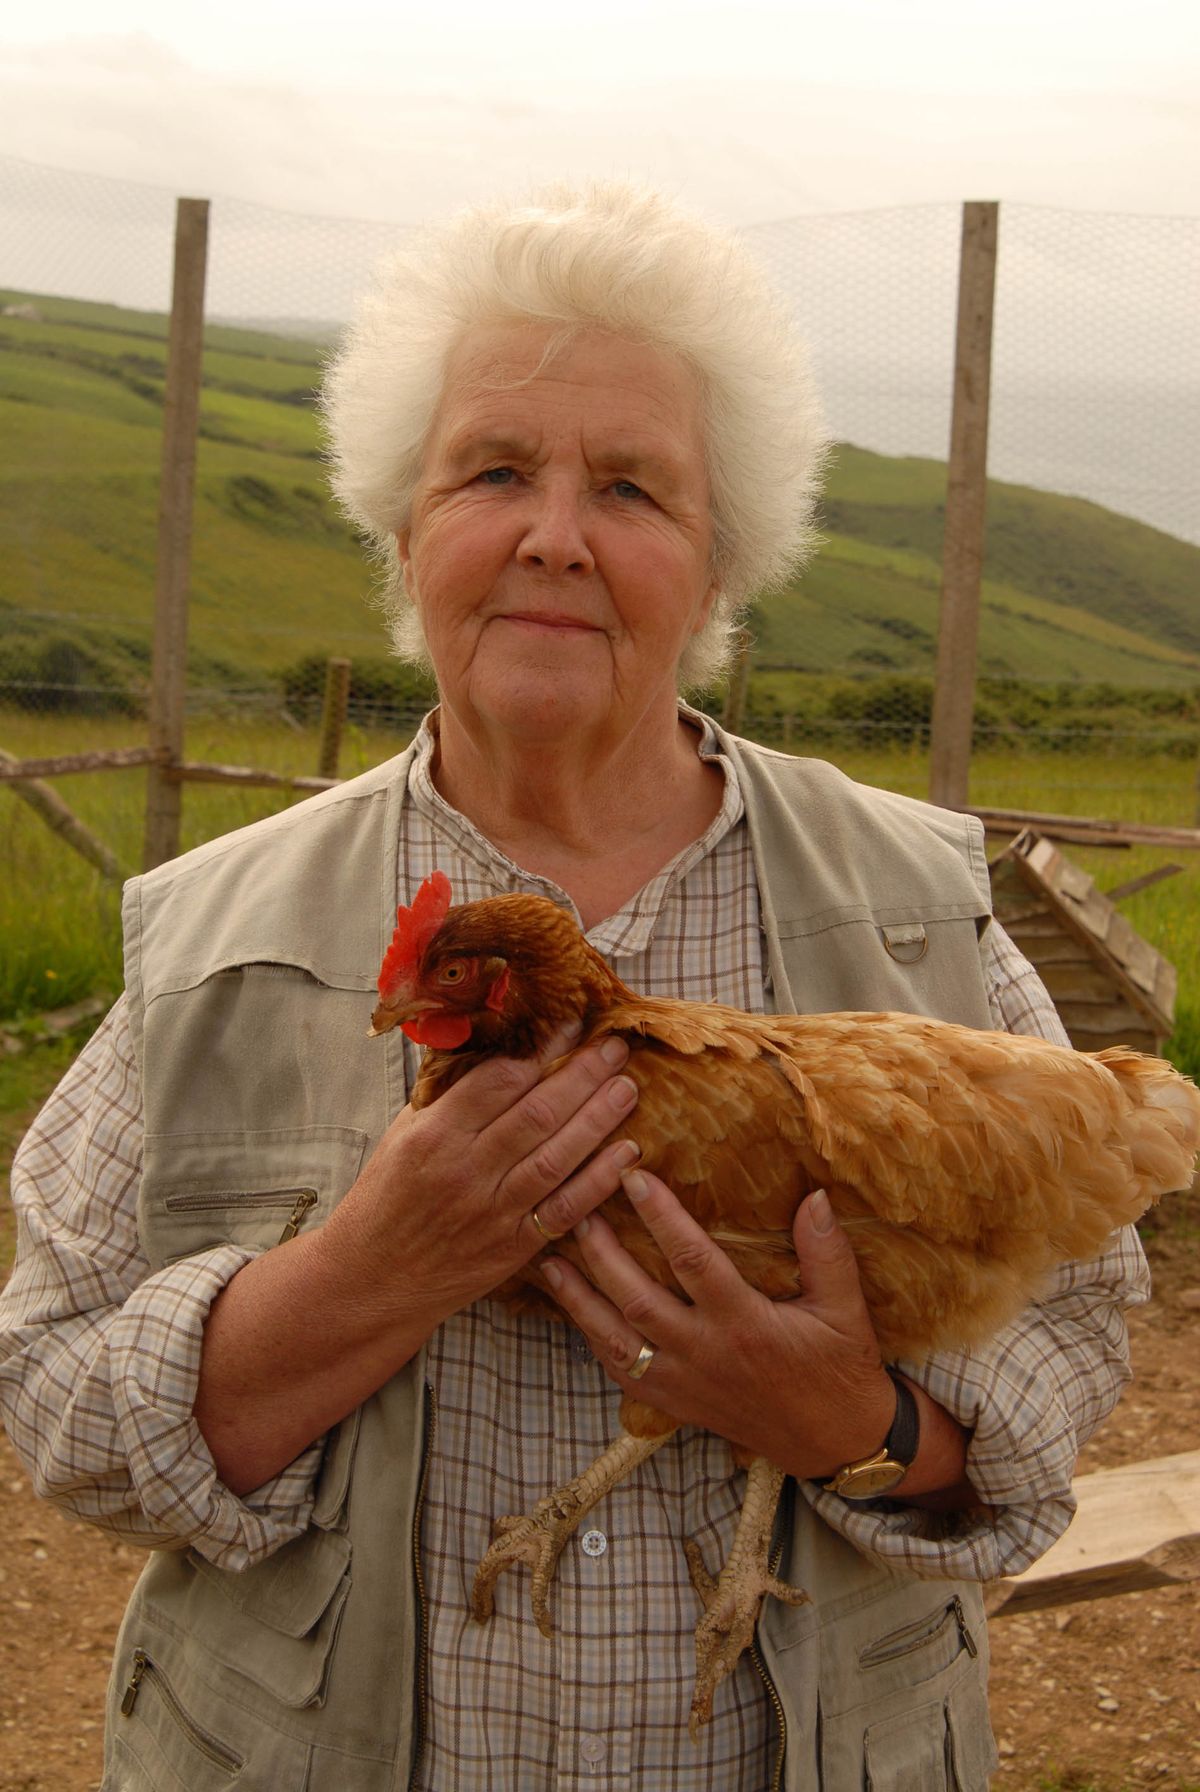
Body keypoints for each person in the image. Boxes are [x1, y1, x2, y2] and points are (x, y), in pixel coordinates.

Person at [0, 184, 1147, 1791]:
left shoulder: (918, 913)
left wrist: (859, 1424)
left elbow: (1084, 1309)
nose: (554, 532)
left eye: (630, 486)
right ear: (406, 530)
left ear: (715, 561)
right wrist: (362, 1276)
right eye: (493, 471)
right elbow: (50, 1389)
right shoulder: (213, 936)